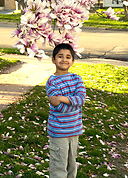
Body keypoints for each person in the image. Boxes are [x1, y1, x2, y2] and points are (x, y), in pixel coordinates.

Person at [46, 43, 86, 178]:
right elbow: (61, 108)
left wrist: (62, 98)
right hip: (58, 132)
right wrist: (72, 100)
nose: (64, 59)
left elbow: (81, 100)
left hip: (74, 130)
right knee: (59, 166)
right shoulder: (52, 82)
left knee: (71, 165)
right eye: (60, 56)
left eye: (68, 57)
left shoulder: (77, 79)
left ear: (73, 61)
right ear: (53, 59)